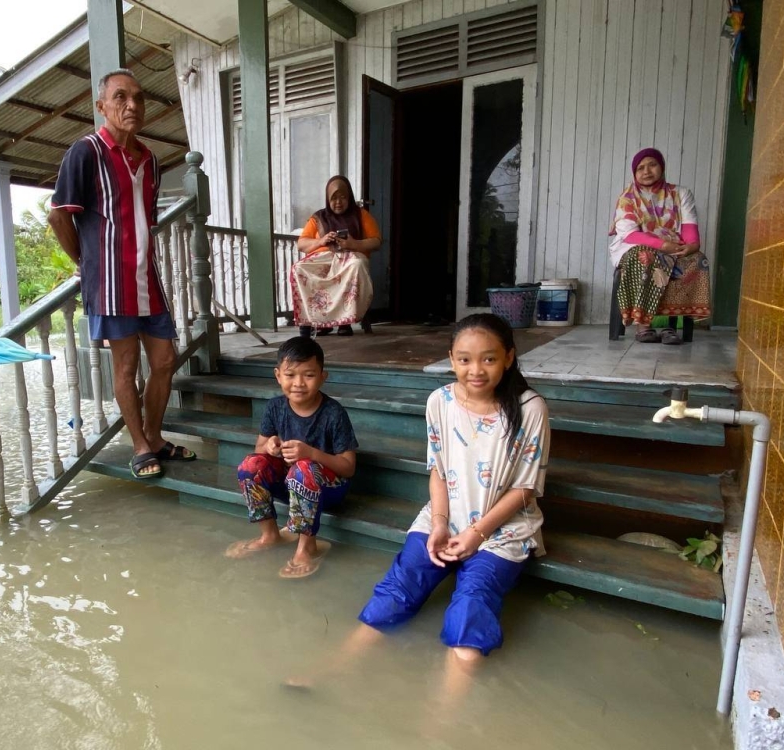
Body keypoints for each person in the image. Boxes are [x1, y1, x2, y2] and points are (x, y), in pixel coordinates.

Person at [289, 314, 547, 696]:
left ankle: (437, 726)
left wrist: (476, 534)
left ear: (509, 357)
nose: (475, 370)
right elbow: (439, 471)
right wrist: (441, 522)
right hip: (444, 517)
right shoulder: (439, 401)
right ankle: (330, 671)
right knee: (397, 589)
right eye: (464, 359)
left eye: (488, 359)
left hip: (501, 528)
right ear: (451, 358)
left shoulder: (529, 408)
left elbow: (525, 488)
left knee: (470, 609)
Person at [48, 68, 195, 480]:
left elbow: (144, 219)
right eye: (120, 97)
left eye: (138, 98)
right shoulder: (86, 152)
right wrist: (86, 263)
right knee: (126, 368)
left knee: (165, 360)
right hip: (110, 284)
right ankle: (140, 446)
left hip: (147, 278)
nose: (131, 105)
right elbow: (59, 215)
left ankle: (155, 436)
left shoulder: (150, 159)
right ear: (102, 106)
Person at [225, 336, 358, 579]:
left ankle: (308, 546)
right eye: (290, 375)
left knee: (304, 468)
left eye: (308, 375)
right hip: (290, 486)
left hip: (328, 489)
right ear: (278, 376)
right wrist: (270, 447)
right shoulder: (275, 407)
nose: (298, 383)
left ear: (322, 377)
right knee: (250, 464)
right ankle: (270, 534)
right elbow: (259, 447)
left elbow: (348, 467)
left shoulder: (333, 413)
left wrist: (311, 453)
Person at [609, 147, 711, 345]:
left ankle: (669, 326)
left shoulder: (681, 194)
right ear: (635, 173)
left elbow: (690, 228)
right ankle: (643, 326)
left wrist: (691, 246)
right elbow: (630, 234)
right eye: (640, 168)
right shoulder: (627, 198)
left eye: (652, 165)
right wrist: (663, 245)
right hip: (635, 245)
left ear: (661, 167)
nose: (646, 171)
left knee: (697, 259)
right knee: (646, 256)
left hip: (675, 244)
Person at [291, 176, 381, 338]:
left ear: (349, 197)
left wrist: (353, 244)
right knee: (299, 268)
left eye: (342, 197)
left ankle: (344, 322)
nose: (338, 202)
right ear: (327, 199)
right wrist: (321, 241)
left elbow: (376, 241)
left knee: (355, 264)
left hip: (350, 256)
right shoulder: (318, 217)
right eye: (333, 198)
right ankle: (312, 322)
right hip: (323, 257)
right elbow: (302, 244)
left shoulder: (361, 215)